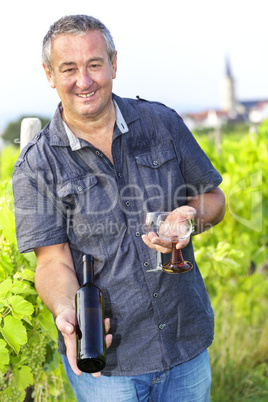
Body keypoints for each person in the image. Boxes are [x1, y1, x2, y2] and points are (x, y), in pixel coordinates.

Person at [12, 14, 225, 402]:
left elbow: (213, 198)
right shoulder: (36, 166)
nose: (84, 80)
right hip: (108, 367)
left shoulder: (163, 123)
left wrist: (192, 219)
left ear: (114, 63)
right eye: (69, 69)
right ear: (49, 74)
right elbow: (52, 262)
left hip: (185, 342)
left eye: (95, 64)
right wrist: (66, 309)